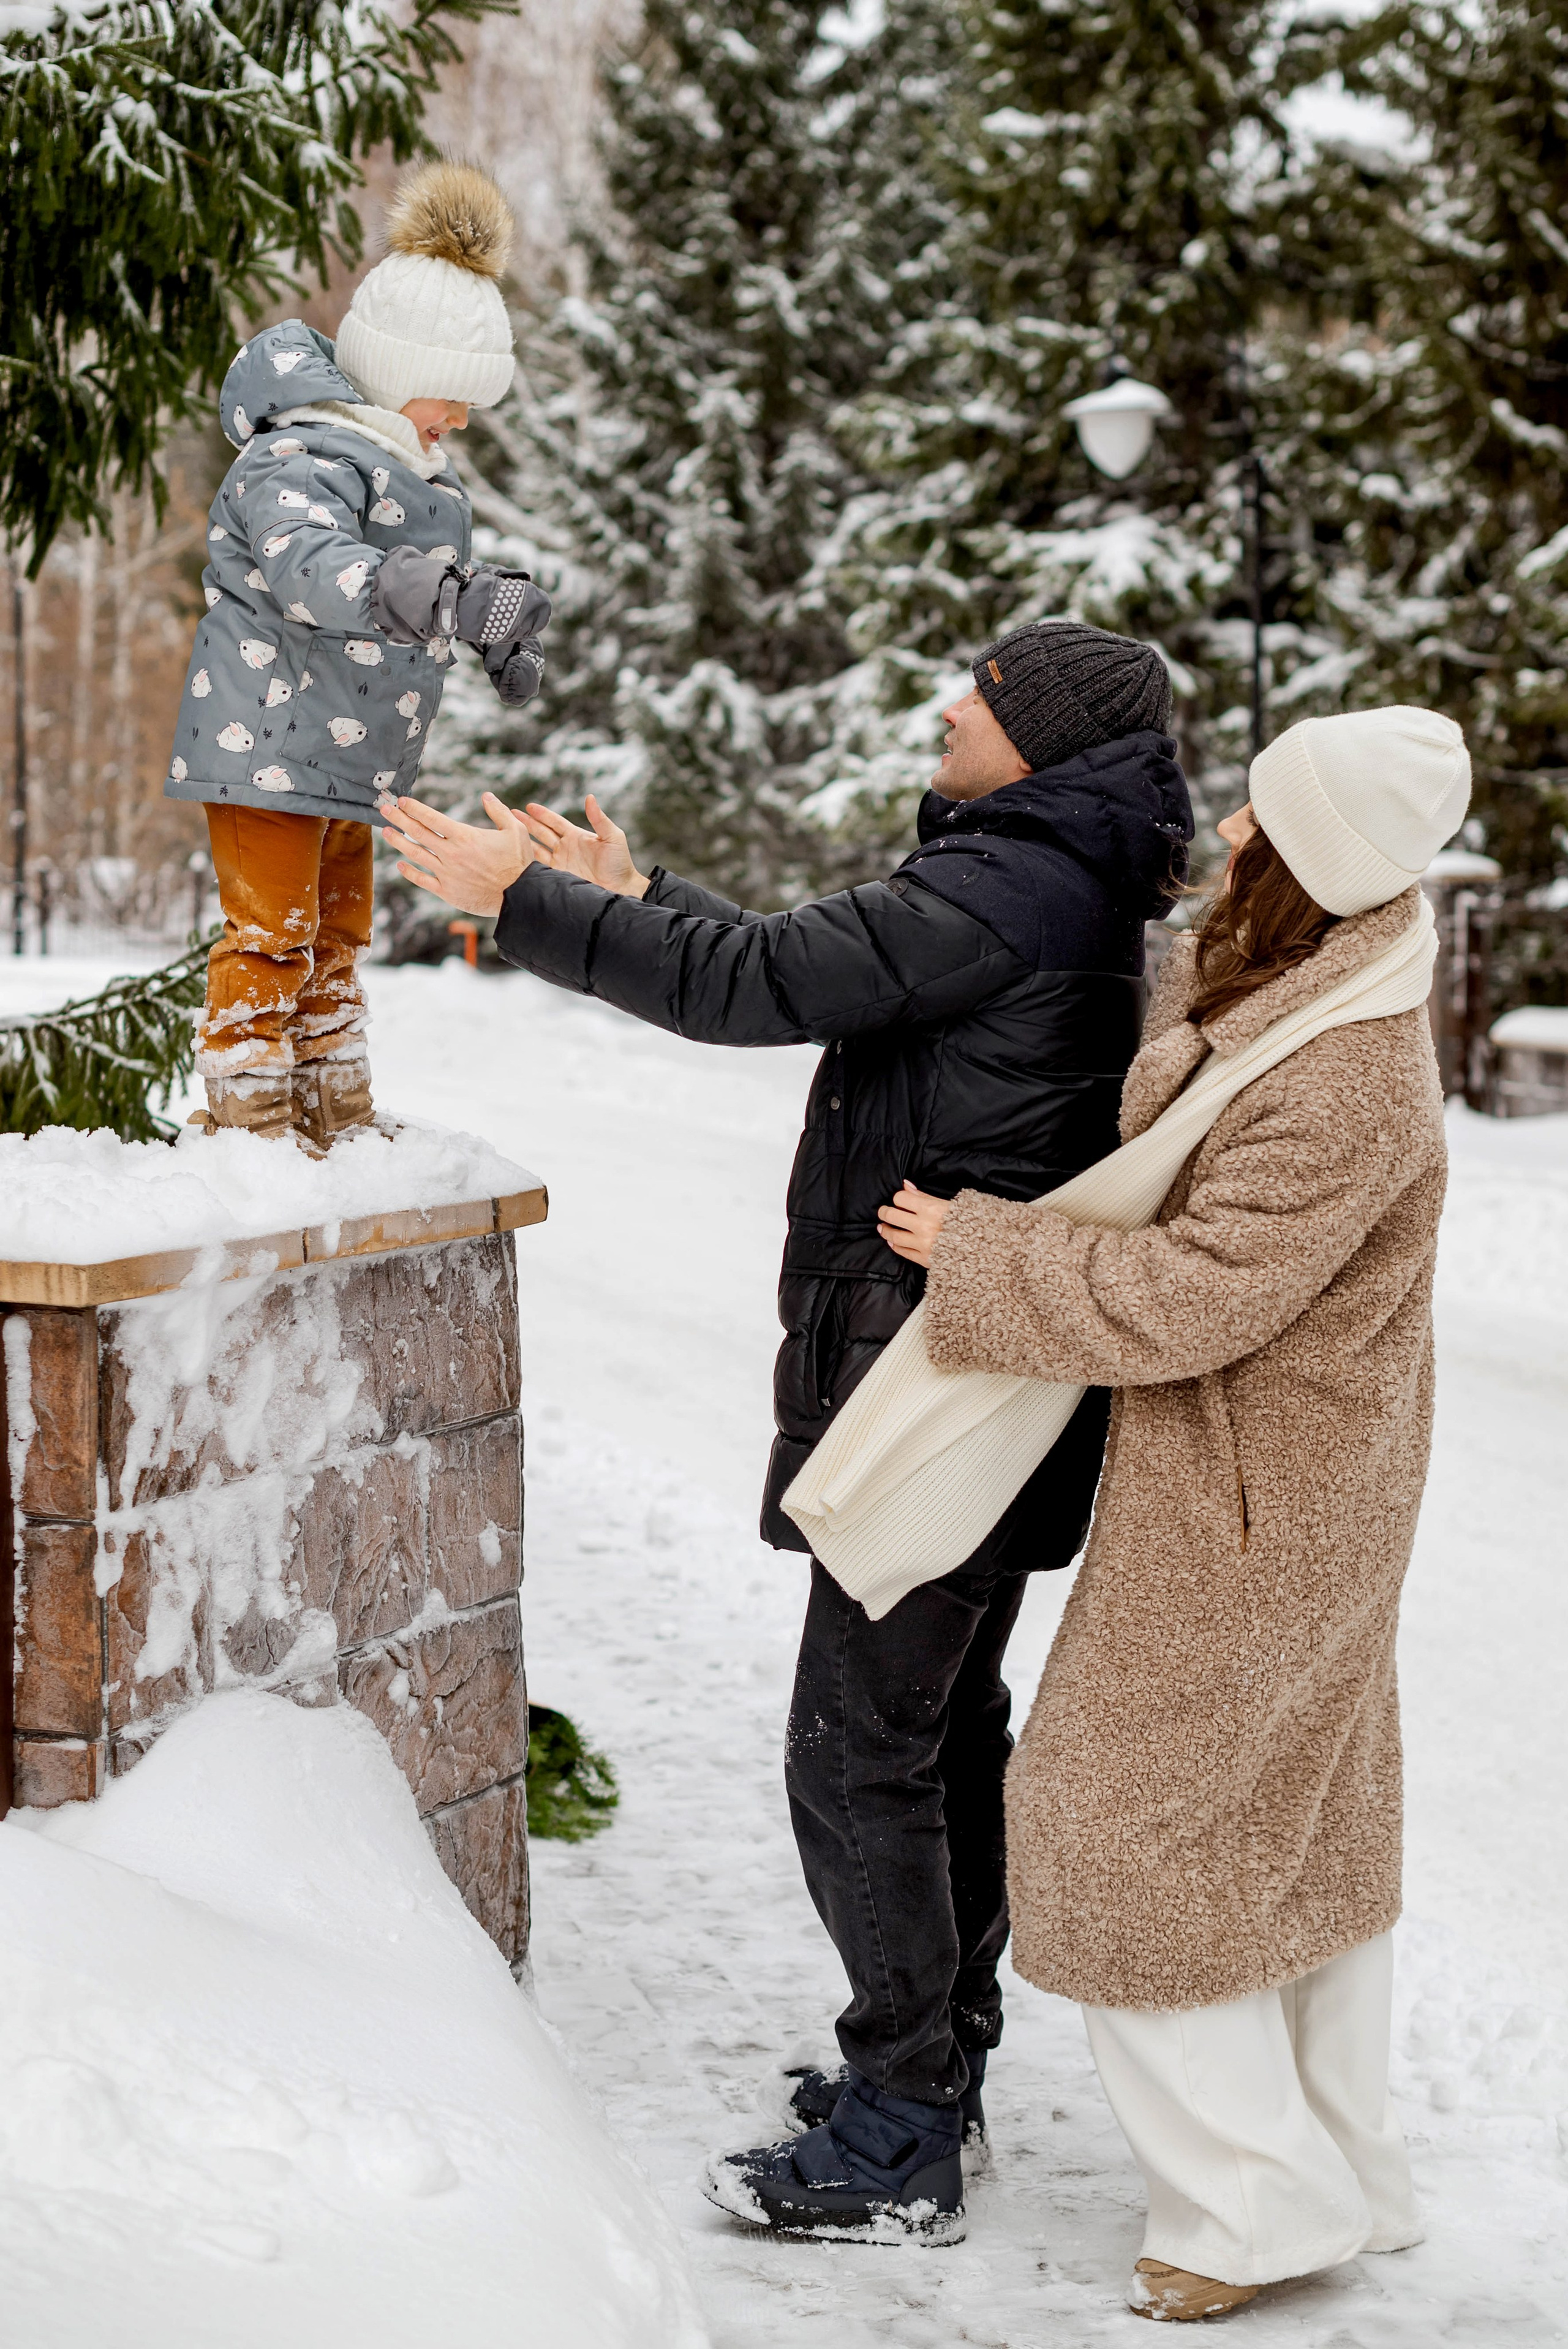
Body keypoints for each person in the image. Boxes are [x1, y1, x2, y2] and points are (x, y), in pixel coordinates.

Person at [380, 618, 1194, 2241]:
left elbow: (756, 989)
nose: (952, 706)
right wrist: (637, 897)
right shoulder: (1036, 875)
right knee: (941, 1733)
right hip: (980, 1377)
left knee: (855, 1753)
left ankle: (901, 2125)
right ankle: (933, 2065)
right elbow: (832, 966)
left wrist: (525, 902)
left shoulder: (1015, 884)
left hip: (939, 1388)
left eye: (987, 695)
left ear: (1041, 743)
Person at [878, 705, 1469, 2318]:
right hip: (1290, 1484)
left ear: (1315, 860)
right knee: (1288, 1832)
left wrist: (985, 1255)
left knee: (1117, 1834)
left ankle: (1256, 2206)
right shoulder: (1318, 985)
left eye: (1258, 822)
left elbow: (1198, 1295)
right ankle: (1345, 2161)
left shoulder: (1342, 1070)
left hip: (1261, 1505)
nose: (1226, 835)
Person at [164, 161, 550, 1151]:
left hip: (350, 763)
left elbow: (419, 587)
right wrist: (453, 598)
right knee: (273, 935)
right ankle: (247, 1123)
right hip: (268, 749)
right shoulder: (296, 458)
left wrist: (490, 627)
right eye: (450, 395)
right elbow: (318, 571)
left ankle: (331, 1112)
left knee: (337, 941)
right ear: (392, 366)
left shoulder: (414, 474)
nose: (460, 419)